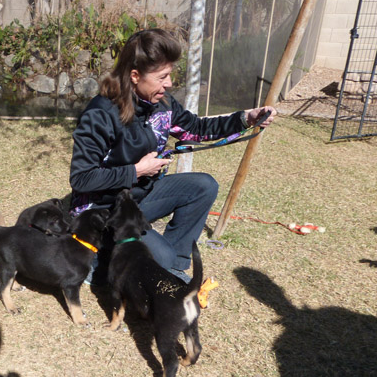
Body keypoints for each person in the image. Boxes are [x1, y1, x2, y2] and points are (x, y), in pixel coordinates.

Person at [69, 28, 276, 284]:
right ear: (135, 76)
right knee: (159, 260)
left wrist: (245, 119)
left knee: (203, 186)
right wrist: (136, 170)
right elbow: (81, 179)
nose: (168, 84)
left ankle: (176, 265)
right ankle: (97, 258)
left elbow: (197, 129)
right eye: (162, 77)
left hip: (140, 197)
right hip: (103, 209)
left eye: (170, 75)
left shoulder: (162, 103)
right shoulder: (100, 114)